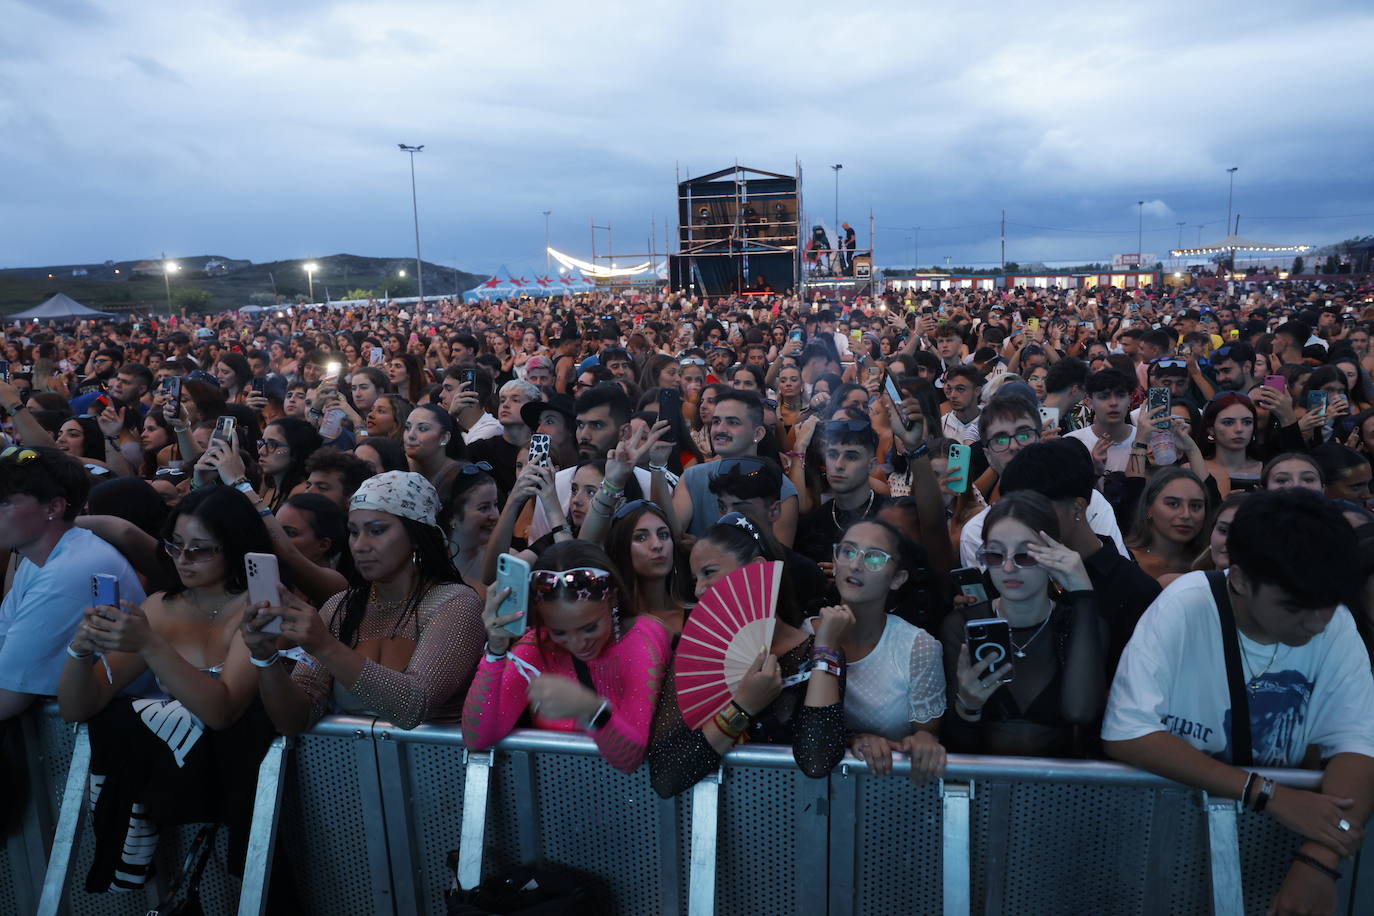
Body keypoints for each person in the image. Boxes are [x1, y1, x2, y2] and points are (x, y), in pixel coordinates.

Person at [1103, 489, 1374, 916]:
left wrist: (1320, 859)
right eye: (1294, 606)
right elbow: (1128, 732)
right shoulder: (1186, 603)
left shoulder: (1334, 621)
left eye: (1327, 604)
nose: (1317, 622)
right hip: (1164, 846)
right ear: (1241, 578)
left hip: (1275, 856)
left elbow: (1358, 745)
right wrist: (1267, 793)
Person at [58, 486, 272, 892]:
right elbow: (78, 707)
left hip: (252, 793)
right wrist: (79, 650)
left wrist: (151, 645)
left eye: (200, 549)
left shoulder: (261, 607)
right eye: (174, 546)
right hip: (173, 794)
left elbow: (222, 711)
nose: (183, 560)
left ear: (237, 546)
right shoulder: (160, 606)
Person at [242, 471, 485, 731]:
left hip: (438, 767)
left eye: (376, 531)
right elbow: (295, 719)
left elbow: (414, 706)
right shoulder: (341, 608)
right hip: (347, 769)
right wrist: (264, 656)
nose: (359, 545)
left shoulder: (455, 603)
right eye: (353, 532)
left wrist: (325, 646)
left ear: (416, 535)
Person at [464, 541, 672, 773]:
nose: (577, 643)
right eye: (559, 632)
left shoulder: (641, 638)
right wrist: (495, 651)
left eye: (589, 627)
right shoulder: (539, 644)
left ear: (612, 599)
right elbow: (477, 737)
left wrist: (589, 709)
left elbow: (630, 758)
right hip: (557, 799)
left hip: (631, 802)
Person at [940, 491, 1106, 757]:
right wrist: (968, 707)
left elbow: (1081, 711)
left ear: (1055, 553)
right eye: (995, 555)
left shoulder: (1081, 623)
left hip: (1060, 793)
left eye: (1025, 556)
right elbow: (955, 747)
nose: (1008, 568)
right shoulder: (962, 625)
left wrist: (1083, 594)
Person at [0, 446, 146, 721]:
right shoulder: (40, 557)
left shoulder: (67, 572)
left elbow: (7, 698)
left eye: (4, 501)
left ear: (53, 507)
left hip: (118, 737)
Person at [997, 438, 1159, 677]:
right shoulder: (1010, 569)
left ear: (1077, 507)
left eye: (1033, 510)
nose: (1021, 521)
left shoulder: (1136, 591)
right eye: (1014, 510)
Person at [810, 519, 946, 781]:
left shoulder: (917, 646)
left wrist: (924, 741)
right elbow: (800, 730)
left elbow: (925, 734)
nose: (856, 564)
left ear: (898, 579)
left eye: (874, 557)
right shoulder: (804, 636)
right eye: (848, 551)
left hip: (888, 789)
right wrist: (851, 740)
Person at [1125, 467, 1211, 586]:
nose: (1186, 514)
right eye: (1173, 504)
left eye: (1195, 506)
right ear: (1148, 508)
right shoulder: (1125, 561)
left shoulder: (1210, 565)